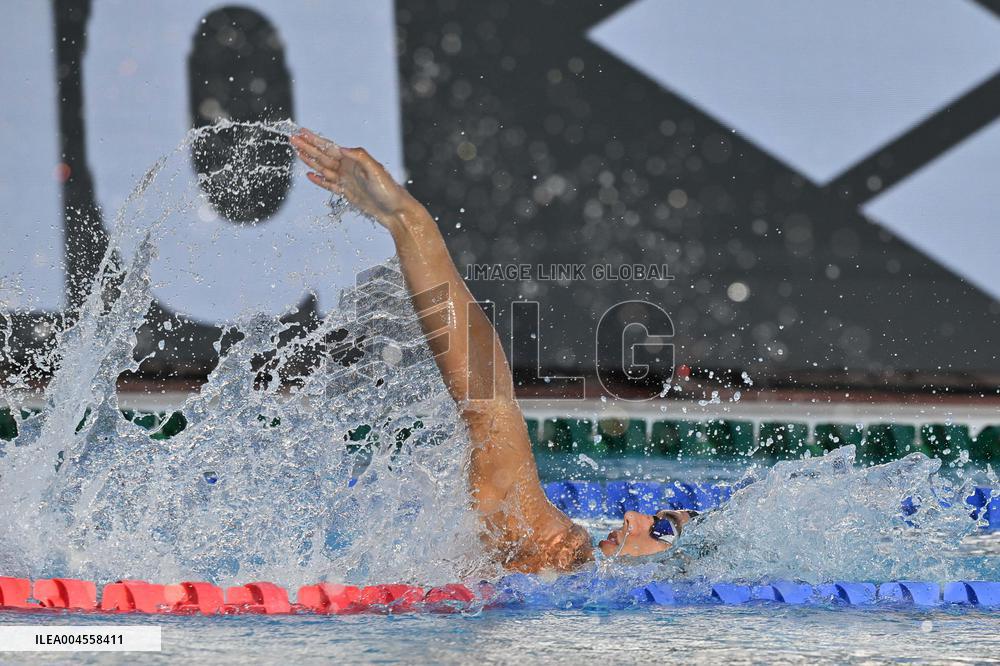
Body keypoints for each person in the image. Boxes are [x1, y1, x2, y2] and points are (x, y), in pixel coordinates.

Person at [291, 129, 694, 573]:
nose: (633, 517)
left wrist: (409, 222)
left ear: (679, 570)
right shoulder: (571, 572)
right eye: (657, 517)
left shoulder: (559, 552)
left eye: (661, 530)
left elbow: (489, 405)